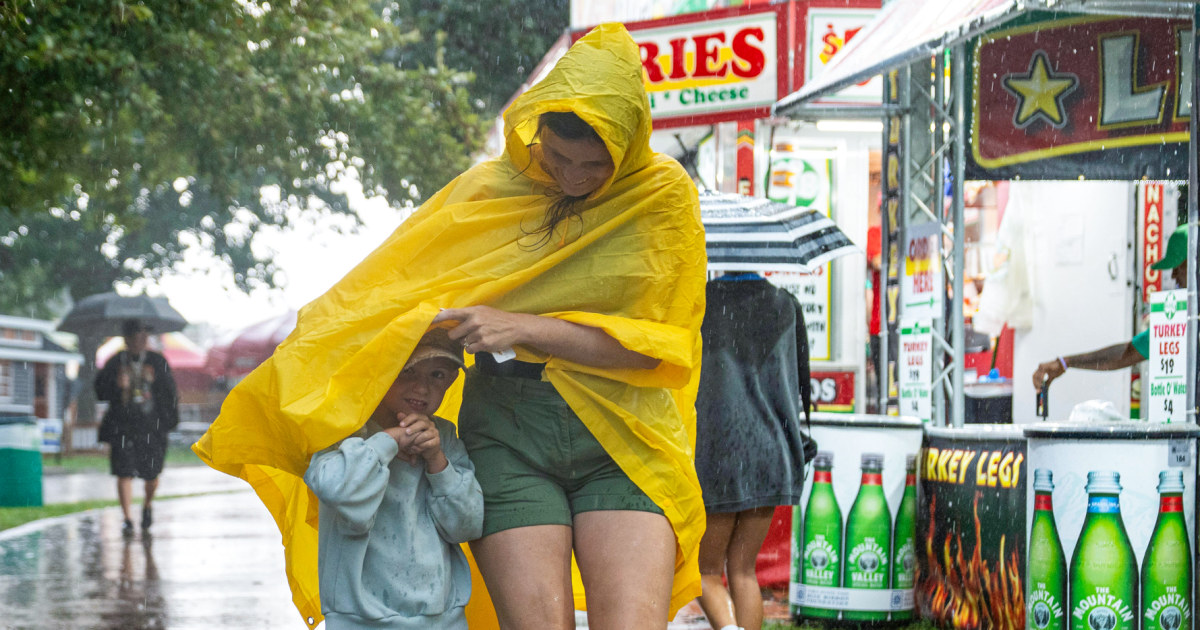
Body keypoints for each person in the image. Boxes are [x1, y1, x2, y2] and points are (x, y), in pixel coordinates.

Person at [194, 22, 707, 630]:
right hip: (510, 437)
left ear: (629, 148)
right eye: (559, 157)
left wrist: (517, 326)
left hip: (625, 437)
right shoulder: (489, 191)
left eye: (593, 166)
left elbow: (657, 352)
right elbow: (385, 291)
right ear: (534, 131)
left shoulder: (661, 195)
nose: (571, 178)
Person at [303, 328, 482, 630]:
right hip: (360, 620)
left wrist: (437, 460)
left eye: (437, 375)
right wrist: (389, 441)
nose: (422, 387)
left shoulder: (445, 439)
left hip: (443, 620)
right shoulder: (342, 431)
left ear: (451, 380)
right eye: (407, 370)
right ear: (381, 370)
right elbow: (339, 490)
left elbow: (467, 525)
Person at [692, 273, 815, 630]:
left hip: (718, 449)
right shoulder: (784, 303)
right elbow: (797, 384)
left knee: (705, 571)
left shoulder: (701, 302)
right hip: (770, 450)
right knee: (745, 572)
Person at [1032, 225, 1190, 388]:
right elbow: (1126, 354)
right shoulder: (1177, 319)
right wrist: (1065, 362)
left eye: (1178, 266)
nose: (1173, 275)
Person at [95, 319, 179, 537]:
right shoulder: (115, 362)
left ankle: (147, 505)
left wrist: (154, 381)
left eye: (143, 336)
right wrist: (117, 385)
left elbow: (170, 394)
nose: (140, 341)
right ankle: (127, 518)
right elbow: (100, 392)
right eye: (135, 336)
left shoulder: (157, 362)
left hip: (152, 427)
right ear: (126, 339)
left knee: (151, 473)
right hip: (123, 426)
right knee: (123, 471)